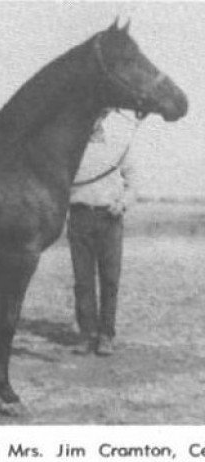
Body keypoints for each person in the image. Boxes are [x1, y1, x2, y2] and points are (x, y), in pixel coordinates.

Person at [68, 108, 141, 356]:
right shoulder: (71, 150)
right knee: (82, 280)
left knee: (110, 280)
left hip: (110, 219)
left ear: (103, 119)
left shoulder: (118, 147)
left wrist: (122, 204)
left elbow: (134, 182)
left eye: (98, 116)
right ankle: (87, 335)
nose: (93, 121)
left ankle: (106, 335)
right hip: (79, 218)